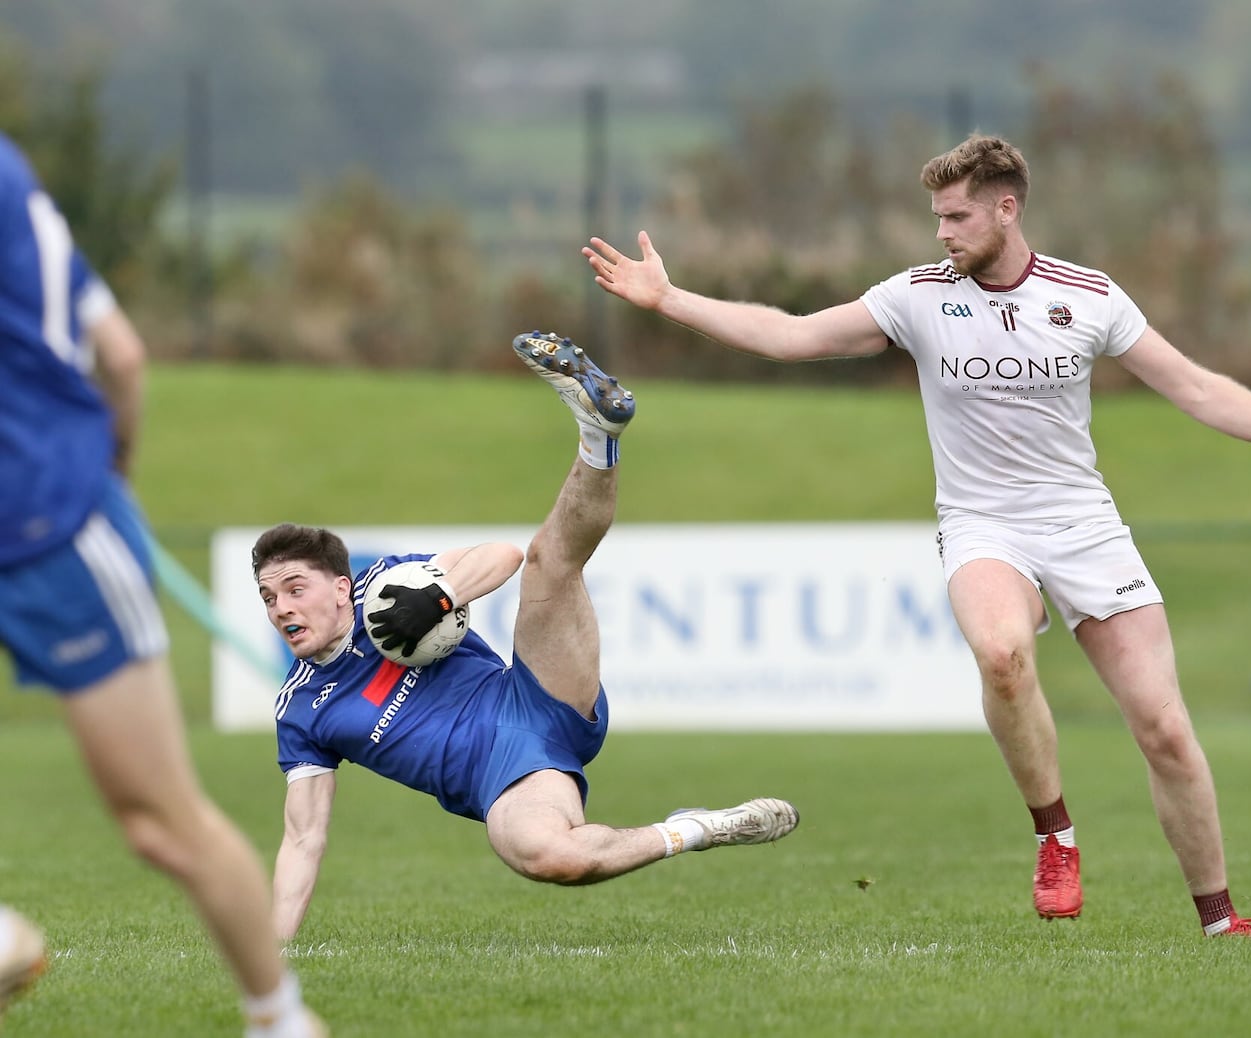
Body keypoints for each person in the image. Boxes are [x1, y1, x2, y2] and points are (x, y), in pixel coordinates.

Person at [580, 133, 1251, 938]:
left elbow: (1193, 387)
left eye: (957, 218)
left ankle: (1219, 917)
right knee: (1002, 654)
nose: (942, 233)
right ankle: (1056, 836)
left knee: (1164, 729)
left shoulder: (1088, 296)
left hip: (1085, 526)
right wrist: (670, 299)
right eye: (938, 218)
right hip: (983, 524)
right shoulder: (917, 295)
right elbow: (796, 334)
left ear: (1006, 211)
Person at [251, 331, 798, 941]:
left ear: (339, 586)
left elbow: (501, 555)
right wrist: (270, 955)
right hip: (506, 775)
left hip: (534, 690)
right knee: (550, 858)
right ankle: (697, 828)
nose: (281, 608)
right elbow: (303, 838)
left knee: (549, 560)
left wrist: (440, 596)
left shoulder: (388, 580)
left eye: (295, 589)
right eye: (269, 597)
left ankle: (598, 433)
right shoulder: (300, 708)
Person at [0, 132, 325, 1035]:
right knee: (161, 823)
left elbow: (124, 357)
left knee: (161, 821)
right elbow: (122, 354)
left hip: (47, 530)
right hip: (62, 511)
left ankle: (281, 1019)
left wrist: (106, 485)